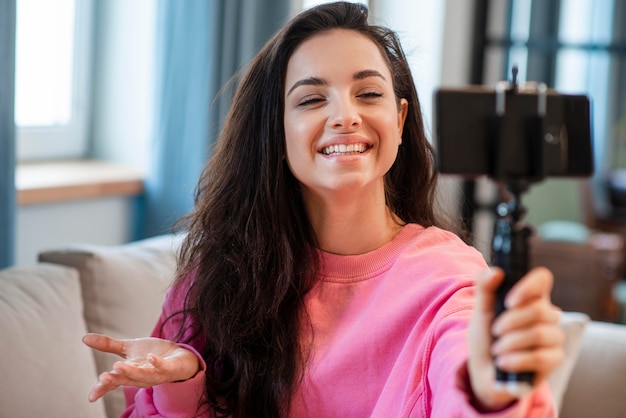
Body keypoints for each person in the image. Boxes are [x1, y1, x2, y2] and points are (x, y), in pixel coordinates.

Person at [83, 2, 564, 417]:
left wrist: (487, 386)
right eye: (312, 99)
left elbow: (471, 366)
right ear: (277, 130)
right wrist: (180, 385)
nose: (345, 115)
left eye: (369, 93)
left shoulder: (448, 280)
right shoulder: (221, 276)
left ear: (399, 120)